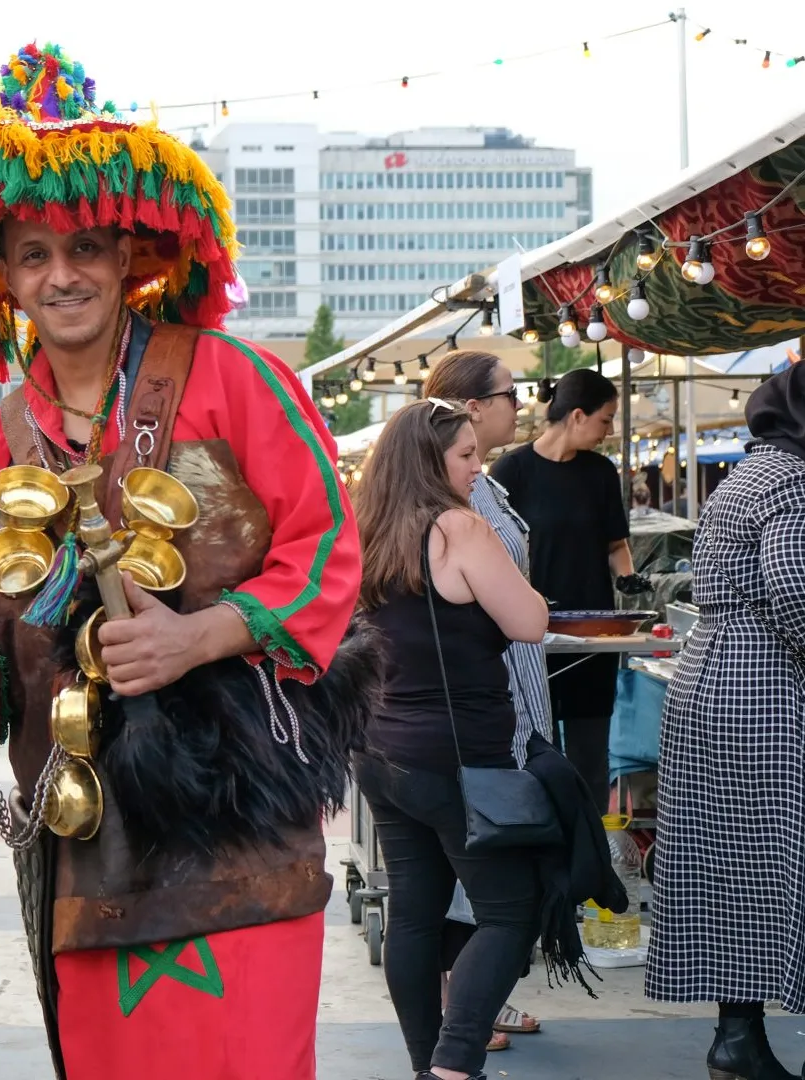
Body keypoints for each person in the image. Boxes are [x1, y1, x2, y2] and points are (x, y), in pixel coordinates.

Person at [0, 44, 372, 1079]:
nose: (61, 275)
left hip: (238, 814)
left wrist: (201, 636)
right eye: (33, 254)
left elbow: (331, 549)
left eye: (84, 248)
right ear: (4, 277)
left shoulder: (236, 378)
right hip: (85, 834)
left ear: (126, 256)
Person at [353, 398, 548, 1080]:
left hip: (381, 748)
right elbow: (529, 621)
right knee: (510, 912)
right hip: (456, 755)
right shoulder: (459, 528)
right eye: (466, 454)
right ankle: (454, 1066)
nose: (476, 467)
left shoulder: (366, 531)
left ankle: (425, 1066)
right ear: (427, 460)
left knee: (414, 912)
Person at [647, 360, 805, 1080]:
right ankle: (740, 1040)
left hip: (714, 672)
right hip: (761, 680)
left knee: (730, 861)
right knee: (777, 856)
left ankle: (738, 1037)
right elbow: (797, 593)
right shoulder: (792, 481)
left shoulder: (750, 472)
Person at [423, 351, 553, 1047]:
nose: (520, 404)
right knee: (482, 871)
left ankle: (460, 1010)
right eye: (510, 393)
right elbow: (518, 613)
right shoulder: (460, 507)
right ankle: (462, 1011)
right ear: (472, 408)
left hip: (498, 699)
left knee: (467, 867)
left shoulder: (479, 490)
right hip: (484, 704)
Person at [492, 368, 647, 814]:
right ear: (578, 415)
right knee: (536, 748)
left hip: (594, 631)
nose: (609, 431)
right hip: (528, 631)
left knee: (590, 753)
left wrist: (627, 576)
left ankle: (591, 843)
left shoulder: (601, 472)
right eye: (605, 419)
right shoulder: (511, 470)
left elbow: (615, 544)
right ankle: (545, 837)